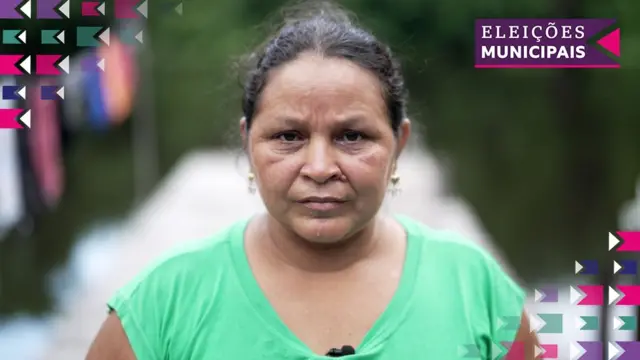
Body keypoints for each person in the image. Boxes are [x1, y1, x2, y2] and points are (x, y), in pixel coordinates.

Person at [86, 2, 538, 359]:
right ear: (248, 143)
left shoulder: (475, 292)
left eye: (352, 136)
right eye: (288, 136)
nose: (320, 167)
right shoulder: (160, 308)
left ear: (398, 144)